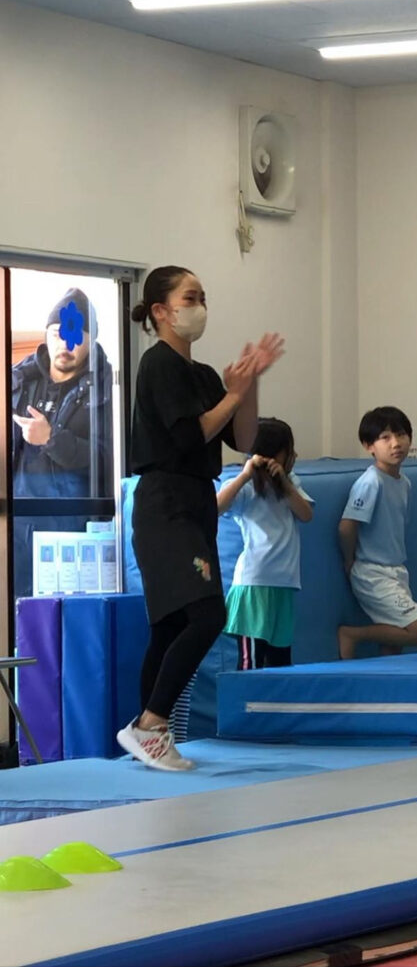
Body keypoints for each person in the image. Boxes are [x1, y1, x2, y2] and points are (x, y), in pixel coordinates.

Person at [116, 265, 285, 772]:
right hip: (165, 500)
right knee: (207, 615)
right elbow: (190, 436)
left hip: (195, 500)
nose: (200, 306)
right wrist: (233, 395)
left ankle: (151, 734)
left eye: (203, 297)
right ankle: (150, 725)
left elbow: (244, 438)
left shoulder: (205, 375)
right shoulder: (158, 364)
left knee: (172, 624)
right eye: (190, 297)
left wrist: (248, 386)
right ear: (161, 310)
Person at [10, 287, 113, 598]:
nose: (66, 344)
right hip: (15, 528)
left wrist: (51, 439)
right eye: (58, 334)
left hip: (74, 533)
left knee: (67, 617)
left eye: (76, 335)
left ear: (91, 341)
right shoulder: (17, 382)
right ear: (46, 335)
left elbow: (108, 459)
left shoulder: (108, 388)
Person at [217, 418, 313, 669]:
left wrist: (284, 483)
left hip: (284, 583)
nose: (294, 456)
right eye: (289, 451)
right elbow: (216, 507)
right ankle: (245, 697)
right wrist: (245, 474)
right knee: (251, 663)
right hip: (254, 584)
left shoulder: (291, 483)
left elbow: (306, 514)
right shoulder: (247, 487)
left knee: (280, 662)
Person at [337, 406, 417, 660]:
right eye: (385, 438)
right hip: (372, 572)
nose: (395, 443)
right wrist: (350, 560)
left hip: (396, 569)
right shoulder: (371, 482)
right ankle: (352, 635)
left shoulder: (404, 483)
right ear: (369, 446)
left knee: (394, 643)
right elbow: (347, 526)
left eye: (401, 435)